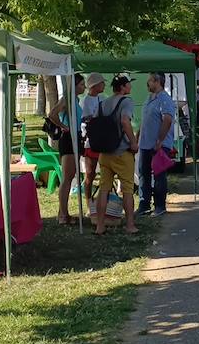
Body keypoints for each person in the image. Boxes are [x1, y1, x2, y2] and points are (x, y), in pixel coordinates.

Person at [93, 74, 139, 236]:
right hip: (122, 152)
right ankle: (130, 225)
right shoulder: (126, 101)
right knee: (127, 188)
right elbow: (125, 121)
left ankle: (100, 225)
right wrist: (133, 142)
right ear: (123, 87)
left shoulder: (103, 103)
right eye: (128, 84)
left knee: (104, 188)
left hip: (105, 153)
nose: (130, 87)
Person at [136, 72, 176, 217]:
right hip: (145, 144)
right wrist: (137, 137)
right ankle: (144, 204)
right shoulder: (149, 99)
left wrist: (160, 140)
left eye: (150, 81)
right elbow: (144, 120)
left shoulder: (164, 99)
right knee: (143, 174)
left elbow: (167, 120)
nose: (148, 84)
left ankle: (160, 205)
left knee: (159, 175)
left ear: (157, 81)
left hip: (159, 145)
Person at [47, 73, 85, 225]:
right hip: (68, 139)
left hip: (76, 137)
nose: (84, 87)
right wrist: (64, 127)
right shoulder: (67, 99)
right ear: (74, 86)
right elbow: (52, 114)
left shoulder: (75, 100)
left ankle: (62, 212)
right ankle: (63, 214)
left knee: (71, 175)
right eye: (81, 85)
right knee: (67, 178)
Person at [80, 72, 107, 203]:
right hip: (90, 142)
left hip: (102, 140)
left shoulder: (102, 98)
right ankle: (88, 201)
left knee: (105, 173)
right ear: (95, 85)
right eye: (102, 83)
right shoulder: (85, 100)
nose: (104, 85)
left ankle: (103, 200)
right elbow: (86, 119)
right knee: (90, 173)